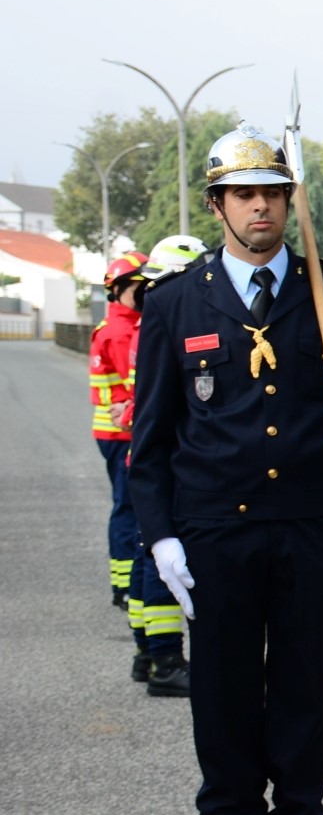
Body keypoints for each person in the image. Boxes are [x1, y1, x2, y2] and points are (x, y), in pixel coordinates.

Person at [129, 121, 323, 815]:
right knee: (223, 707)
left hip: (311, 531)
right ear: (217, 206)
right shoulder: (177, 303)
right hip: (215, 538)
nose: (260, 209)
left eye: (273, 195)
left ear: (289, 204)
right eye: (244, 195)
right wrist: (162, 539)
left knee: (300, 707)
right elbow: (150, 442)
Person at [124, 235, 209, 699]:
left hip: (156, 461)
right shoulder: (166, 321)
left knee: (147, 556)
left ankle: (147, 652)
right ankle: (166, 660)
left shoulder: (152, 319)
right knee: (160, 563)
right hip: (166, 465)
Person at [89, 250, 148, 612]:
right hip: (124, 432)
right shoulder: (122, 330)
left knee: (125, 506)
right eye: (141, 287)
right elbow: (140, 386)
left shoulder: (116, 325)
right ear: (122, 289)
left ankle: (122, 581)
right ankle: (127, 584)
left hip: (117, 431)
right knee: (129, 508)